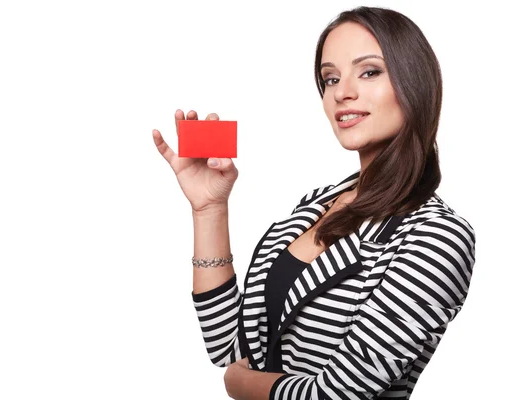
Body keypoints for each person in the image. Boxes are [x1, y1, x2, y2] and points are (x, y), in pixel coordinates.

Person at [152, 6, 476, 400]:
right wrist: (209, 210)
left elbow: (339, 394)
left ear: (415, 83)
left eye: (369, 71)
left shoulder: (438, 236)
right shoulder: (315, 204)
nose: (342, 92)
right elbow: (230, 347)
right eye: (330, 78)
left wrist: (242, 387)